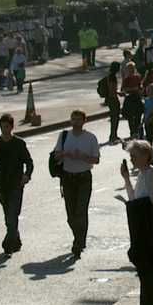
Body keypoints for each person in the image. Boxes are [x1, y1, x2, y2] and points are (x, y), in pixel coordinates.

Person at [121, 140, 153, 305]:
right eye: (130, 156)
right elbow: (134, 197)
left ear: (146, 156)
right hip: (140, 224)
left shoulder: (152, 173)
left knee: (146, 264)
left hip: (147, 225)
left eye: (134, 156)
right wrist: (126, 179)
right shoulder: (142, 174)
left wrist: (137, 204)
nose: (131, 159)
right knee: (144, 265)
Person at [54, 110, 100, 259]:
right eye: (73, 119)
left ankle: (78, 242)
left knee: (81, 211)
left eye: (78, 119)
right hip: (68, 178)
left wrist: (83, 157)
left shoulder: (90, 138)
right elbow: (56, 155)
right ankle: (79, 237)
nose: (75, 122)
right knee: (71, 214)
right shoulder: (64, 135)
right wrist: (65, 154)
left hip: (84, 178)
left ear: (84, 121)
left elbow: (96, 159)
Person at [0, 113, 33, 254]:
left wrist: (26, 175)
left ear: (12, 127)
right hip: (2, 183)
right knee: (8, 214)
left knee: (12, 213)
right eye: (2, 127)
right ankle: (16, 239)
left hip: (16, 184)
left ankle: (8, 243)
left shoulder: (19, 143)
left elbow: (29, 162)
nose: (4, 129)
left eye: (7, 126)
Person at [121, 62, 144, 139]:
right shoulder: (126, 79)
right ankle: (132, 132)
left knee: (138, 115)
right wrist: (133, 89)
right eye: (129, 69)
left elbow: (140, 86)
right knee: (130, 117)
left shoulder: (138, 77)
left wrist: (140, 89)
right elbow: (124, 89)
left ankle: (137, 131)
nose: (131, 70)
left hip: (137, 98)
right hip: (129, 99)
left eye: (132, 68)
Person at [105, 61, 122, 143]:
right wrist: (118, 93)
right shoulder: (112, 77)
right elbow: (112, 90)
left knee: (114, 117)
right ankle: (113, 135)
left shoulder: (109, 75)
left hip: (110, 99)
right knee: (115, 118)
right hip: (113, 99)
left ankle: (114, 134)